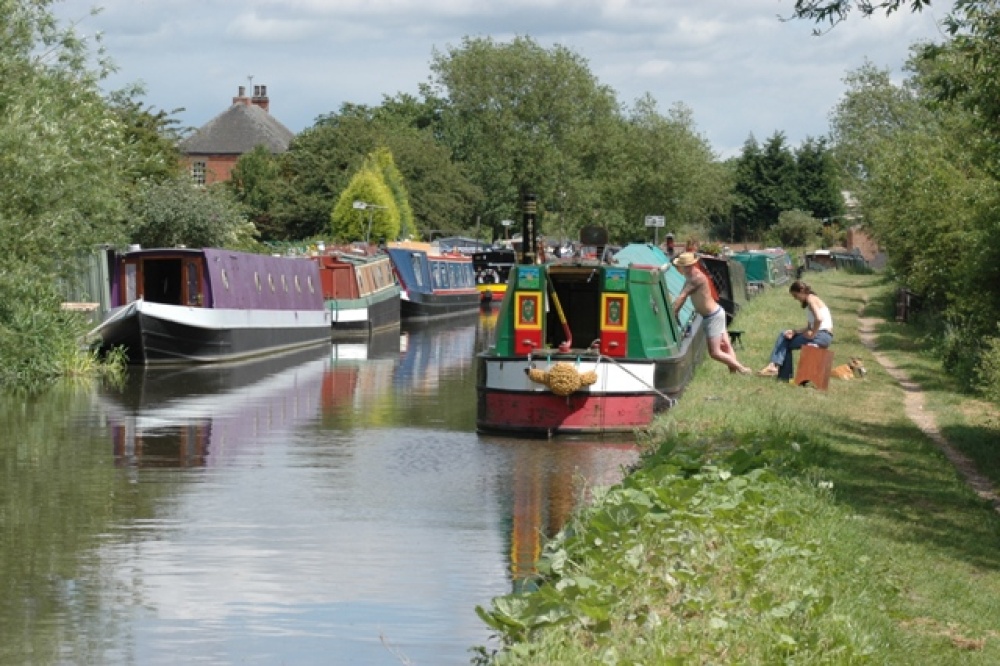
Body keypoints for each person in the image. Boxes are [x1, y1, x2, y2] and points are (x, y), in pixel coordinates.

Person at [671, 252, 751, 374]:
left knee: (714, 352)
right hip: (715, 313)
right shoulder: (689, 277)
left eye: (682, 266)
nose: (680, 269)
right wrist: (676, 310)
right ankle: (734, 373)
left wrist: (673, 312)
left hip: (712, 316)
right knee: (725, 345)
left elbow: (683, 296)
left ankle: (742, 369)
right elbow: (681, 297)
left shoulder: (696, 278)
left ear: (689, 265)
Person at [758, 280, 833, 379]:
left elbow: (819, 319)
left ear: (802, 290)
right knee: (786, 337)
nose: (795, 299)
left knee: (784, 338)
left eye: (796, 296)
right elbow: (810, 326)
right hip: (825, 335)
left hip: (821, 335)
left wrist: (813, 334)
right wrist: (794, 331)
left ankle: (776, 368)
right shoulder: (813, 300)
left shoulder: (811, 299)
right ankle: (782, 375)